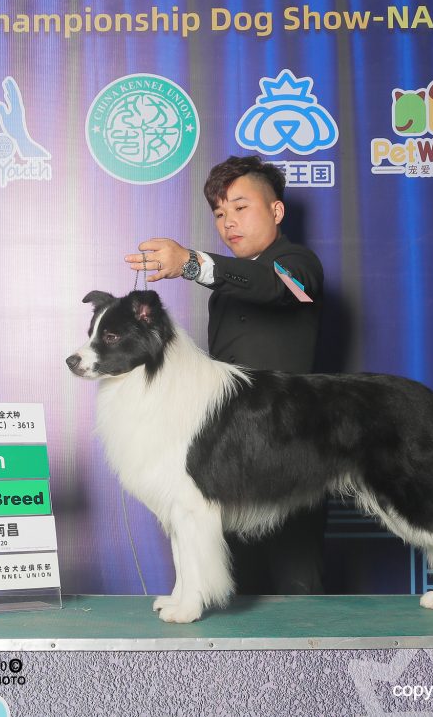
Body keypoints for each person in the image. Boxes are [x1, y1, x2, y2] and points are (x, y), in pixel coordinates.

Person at [126, 154, 325, 595]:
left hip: (288, 448)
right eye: (219, 213)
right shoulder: (224, 292)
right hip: (229, 453)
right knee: (232, 582)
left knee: (298, 584)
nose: (228, 222)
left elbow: (276, 285)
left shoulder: (299, 265)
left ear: (276, 210)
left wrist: (192, 263)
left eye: (240, 207)